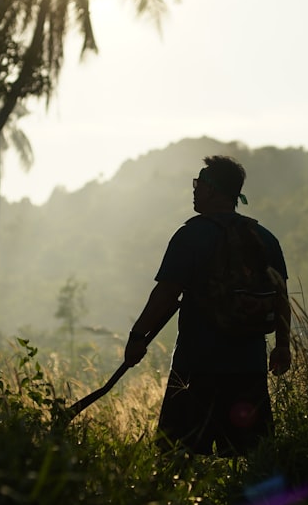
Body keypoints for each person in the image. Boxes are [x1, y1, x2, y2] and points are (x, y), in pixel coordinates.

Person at [124, 155, 291, 458]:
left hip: (196, 367)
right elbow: (281, 297)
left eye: (198, 184)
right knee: (253, 455)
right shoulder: (264, 238)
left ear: (212, 190)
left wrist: (137, 337)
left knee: (176, 455)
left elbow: (165, 294)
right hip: (249, 367)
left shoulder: (190, 236)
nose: (194, 190)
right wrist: (282, 346)